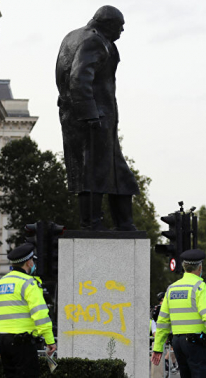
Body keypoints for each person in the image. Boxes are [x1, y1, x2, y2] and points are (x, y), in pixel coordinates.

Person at [56, 5, 139, 231]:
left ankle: (123, 223)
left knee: (108, 171)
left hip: (75, 116)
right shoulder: (95, 41)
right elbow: (78, 78)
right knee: (94, 172)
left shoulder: (73, 36)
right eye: (120, 27)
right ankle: (94, 224)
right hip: (92, 118)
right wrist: (91, 116)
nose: (122, 32)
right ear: (108, 24)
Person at [152, 249, 206, 377]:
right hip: (197, 344)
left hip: (178, 343)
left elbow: (162, 321)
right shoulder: (201, 288)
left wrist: (158, 347)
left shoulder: (172, 288)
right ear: (200, 268)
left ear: (184, 267)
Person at [0, 243, 56, 377]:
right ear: (28, 263)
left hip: (4, 342)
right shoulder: (29, 283)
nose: (33, 264)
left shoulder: (0, 283)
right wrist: (50, 340)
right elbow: (41, 314)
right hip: (23, 344)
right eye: (33, 261)